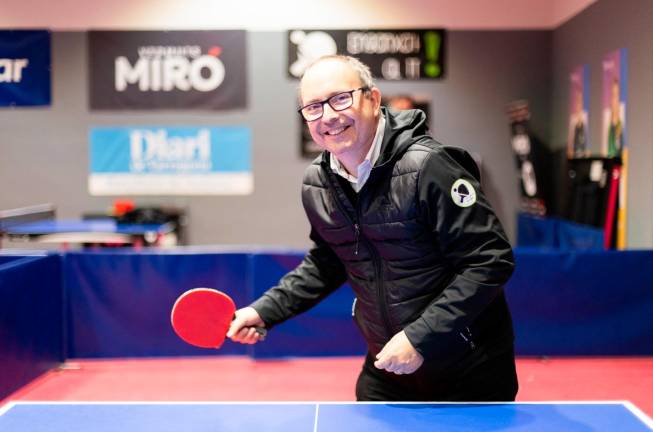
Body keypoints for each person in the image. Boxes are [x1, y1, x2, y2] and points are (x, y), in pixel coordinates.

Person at [227, 55, 518, 401]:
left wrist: (419, 337)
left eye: (340, 98)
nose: (329, 116)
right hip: (388, 367)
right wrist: (264, 310)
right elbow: (327, 262)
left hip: (468, 368)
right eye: (313, 107)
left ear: (374, 99)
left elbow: (489, 260)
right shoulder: (318, 183)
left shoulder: (429, 166)